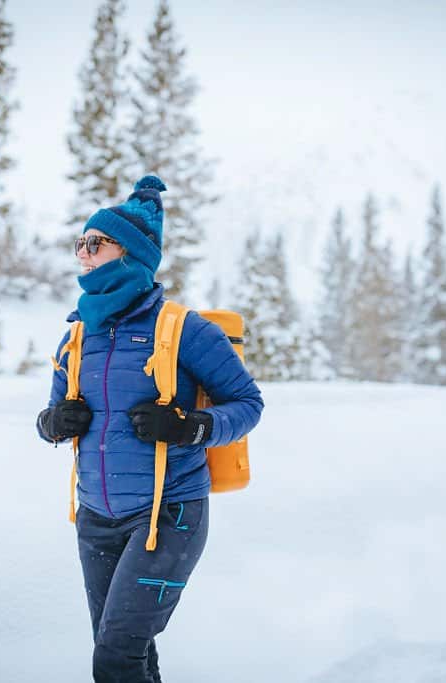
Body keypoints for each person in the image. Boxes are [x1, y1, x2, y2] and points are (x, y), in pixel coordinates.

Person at [35, 175, 264, 683]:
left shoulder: (184, 329)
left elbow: (249, 404)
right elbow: (49, 418)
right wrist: (53, 423)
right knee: (126, 649)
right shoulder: (76, 335)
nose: (84, 255)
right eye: (80, 245)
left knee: (116, 654)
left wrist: (191, 427)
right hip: (95, 518)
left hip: (169, 515)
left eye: (95, 243)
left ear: (131, 253)